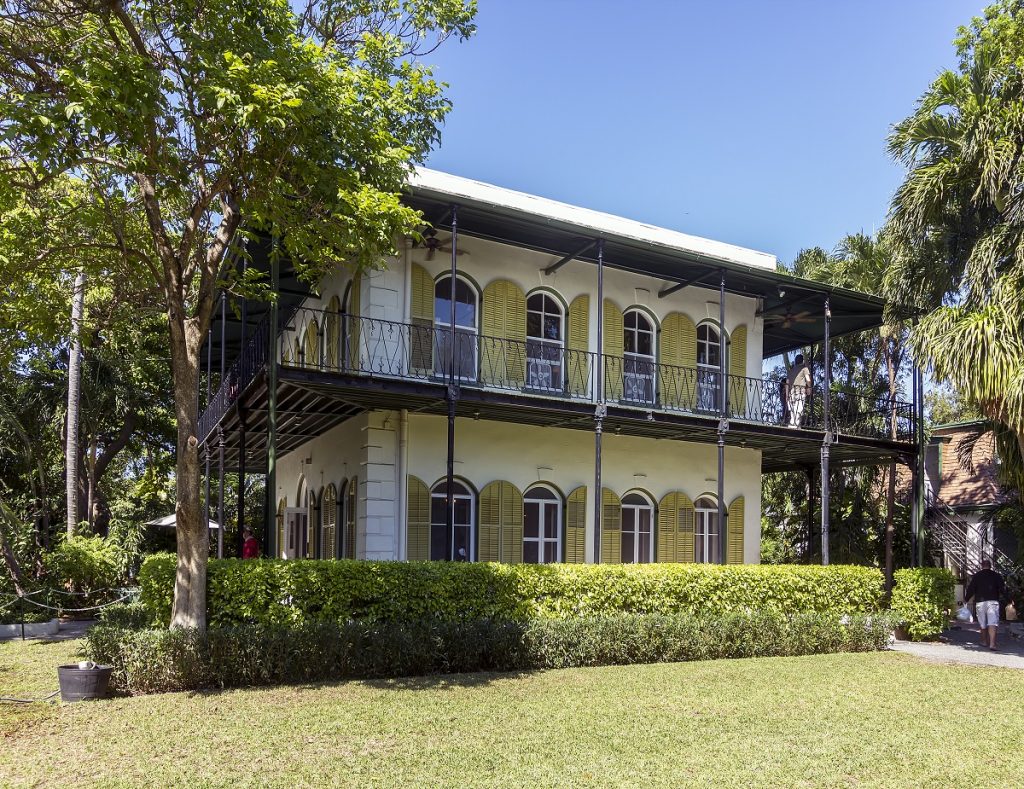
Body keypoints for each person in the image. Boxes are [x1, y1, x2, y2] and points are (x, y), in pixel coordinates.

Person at [965, 558, 1005, 650]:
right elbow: (1002, 589)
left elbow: (971, 589)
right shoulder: (996, 575)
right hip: (993, 601)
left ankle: (983, 641)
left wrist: (966, 599)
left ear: (981, 566)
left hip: (980, 602)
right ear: (990, 566)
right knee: (993, 622)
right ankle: (992, 644)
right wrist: (1009, 599)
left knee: (982, 623)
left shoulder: (977, 576)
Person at [786, 354, 811, 428]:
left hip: (791, 393)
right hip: (800, 392)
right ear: (802, 361)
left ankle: (793, 426)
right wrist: (809, 387)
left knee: (793, 412)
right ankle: (794, 428)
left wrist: (787, 395)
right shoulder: (804, 369)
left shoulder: (791, 370)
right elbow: (808, 379)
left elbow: (787, 383)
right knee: (798, 411)